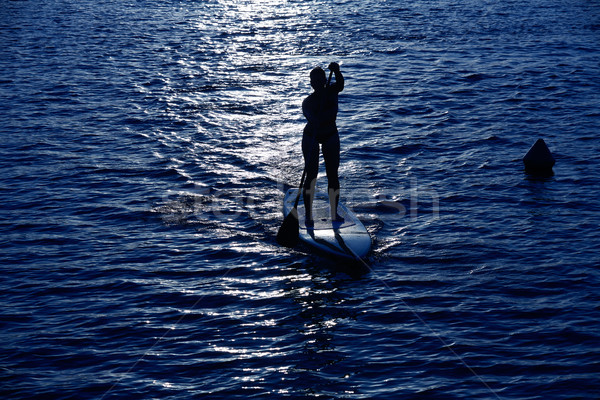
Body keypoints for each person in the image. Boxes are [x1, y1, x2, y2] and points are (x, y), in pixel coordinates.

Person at [302, 62, 344, 227]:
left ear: (325, 80)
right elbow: (315, 120)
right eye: (315, 81)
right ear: (311, 83)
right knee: (311, 176)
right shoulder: (307, 103)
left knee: (332, 175)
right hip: (311, 137)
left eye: (321, 80)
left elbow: (340, 84)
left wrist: (337, 71)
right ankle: (308, 215)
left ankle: (334, 214)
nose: (318, 83)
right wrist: (321, 112)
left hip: (330, 136)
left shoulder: (333, 91)